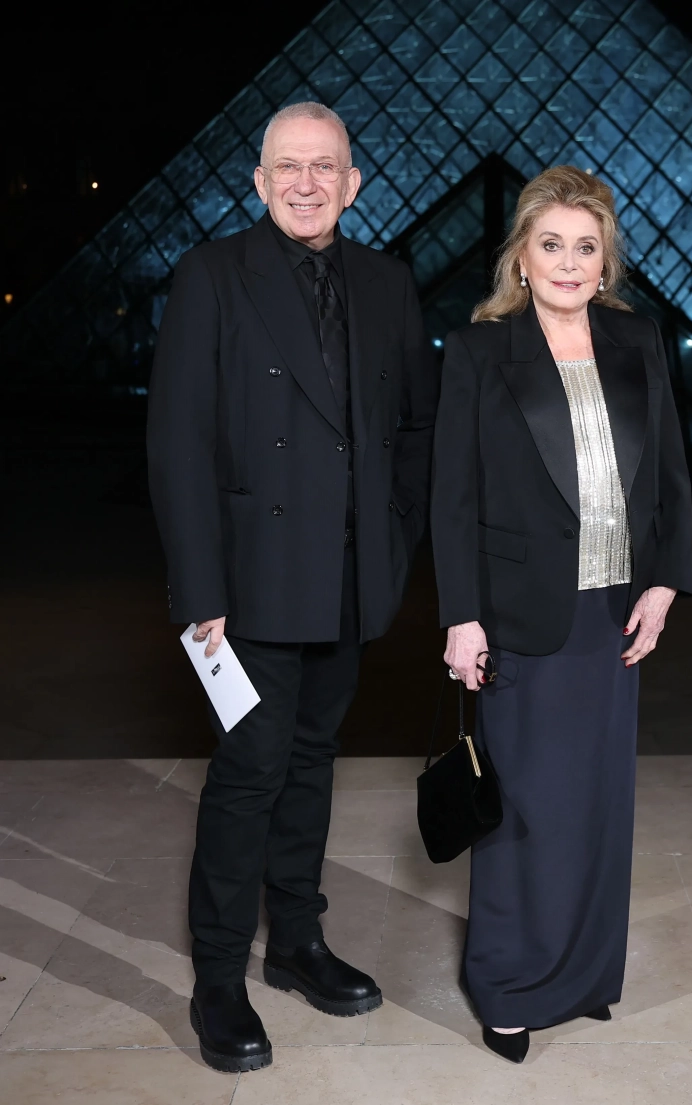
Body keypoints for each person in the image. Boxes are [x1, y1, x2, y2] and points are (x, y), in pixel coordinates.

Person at [147, 102, 436, 1073]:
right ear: (260, 181)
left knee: (313, 761)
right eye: (287, 167)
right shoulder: (212, 274)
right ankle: (218, 977)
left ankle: (297, 942)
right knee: (250, 773)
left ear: (353, 183)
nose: (305, 183)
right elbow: (178, 440)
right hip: (252, 581)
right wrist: (200, 587)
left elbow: (413, 428)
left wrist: (392, 541)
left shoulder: (389, 282)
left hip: (349, 578)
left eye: (324, 167)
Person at [430, 166, 692, 1064]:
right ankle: (507, 986)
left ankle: (581, 976)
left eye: (587, 247)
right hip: (520, 616)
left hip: (612, 610)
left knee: (597, 806)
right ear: (522, 255)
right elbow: (452, 499)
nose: (570, 262)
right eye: (553, 245)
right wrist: (462, 616)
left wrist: (663, 584)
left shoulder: (636, 338)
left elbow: (670, 473)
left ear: (605, 259)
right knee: (520, 813)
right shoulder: (478, 350)